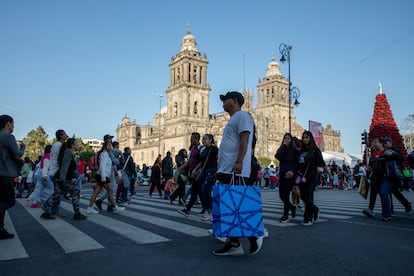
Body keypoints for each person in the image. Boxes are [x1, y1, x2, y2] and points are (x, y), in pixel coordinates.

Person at [212, 91, 263, 256]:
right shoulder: (233, 119)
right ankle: (234, 243)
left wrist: (239, 161)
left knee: (236, 205)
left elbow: (245, 139)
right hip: (227, 170)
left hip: (236, 170)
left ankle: (253, 234)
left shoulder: (242, 116)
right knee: (229, 207)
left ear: (234, 101)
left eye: (225, 100)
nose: (222, 103)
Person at [40, 138, 87, 220]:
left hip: (61, 177)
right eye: (77, 143)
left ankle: (47, 212)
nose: (78, 145)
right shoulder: (68, 152)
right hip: (65, 178)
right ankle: (77, 213)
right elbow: (64, 167)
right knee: (75, 191)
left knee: (57, 195)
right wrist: (62, 179)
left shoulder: (68, 152)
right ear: (72, 145)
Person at [297, 130, 332, 226]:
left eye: (307, 137)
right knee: (303, 195)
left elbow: (322, 162)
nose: (304, 139)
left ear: (310, 138)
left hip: (312, 174)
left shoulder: (315, 150)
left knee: (308, 194)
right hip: (302, 175)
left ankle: (307, 218)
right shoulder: (301, 150)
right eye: (303, 137)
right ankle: (315, 209)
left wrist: (330, 174)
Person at [0, 115, 25, 239]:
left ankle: (0, 229)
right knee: (9, 201)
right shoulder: (8, 137)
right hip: (4, 174)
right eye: (13, 124)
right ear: (8, 124)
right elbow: (17, 155)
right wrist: (23, 147)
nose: (13, 127)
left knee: (2, 201)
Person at [87, 141, 125, 214]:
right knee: (110, 190)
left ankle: (90, 208)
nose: (110, 147)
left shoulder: (106, 154)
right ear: (105, 147)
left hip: (101, 175)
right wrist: (104, 178)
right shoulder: (104, 154)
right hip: (103, 175)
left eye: (110, 146)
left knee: (96, 192)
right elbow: (102, 166)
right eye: (109, 146)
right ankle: (115, 207)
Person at [275, 132, 299, 223]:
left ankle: (285, 215)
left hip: (290, 175)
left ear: (291, 140)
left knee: (285, 194)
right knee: (281, 195)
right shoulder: (282, 148)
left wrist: (292, 171)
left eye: (288, 138)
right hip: (282, 174)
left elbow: (296, 163)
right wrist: (283, 147)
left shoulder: (294, 150)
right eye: (285, 138)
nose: (286, 140)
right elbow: (277, 156)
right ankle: (292, 207)